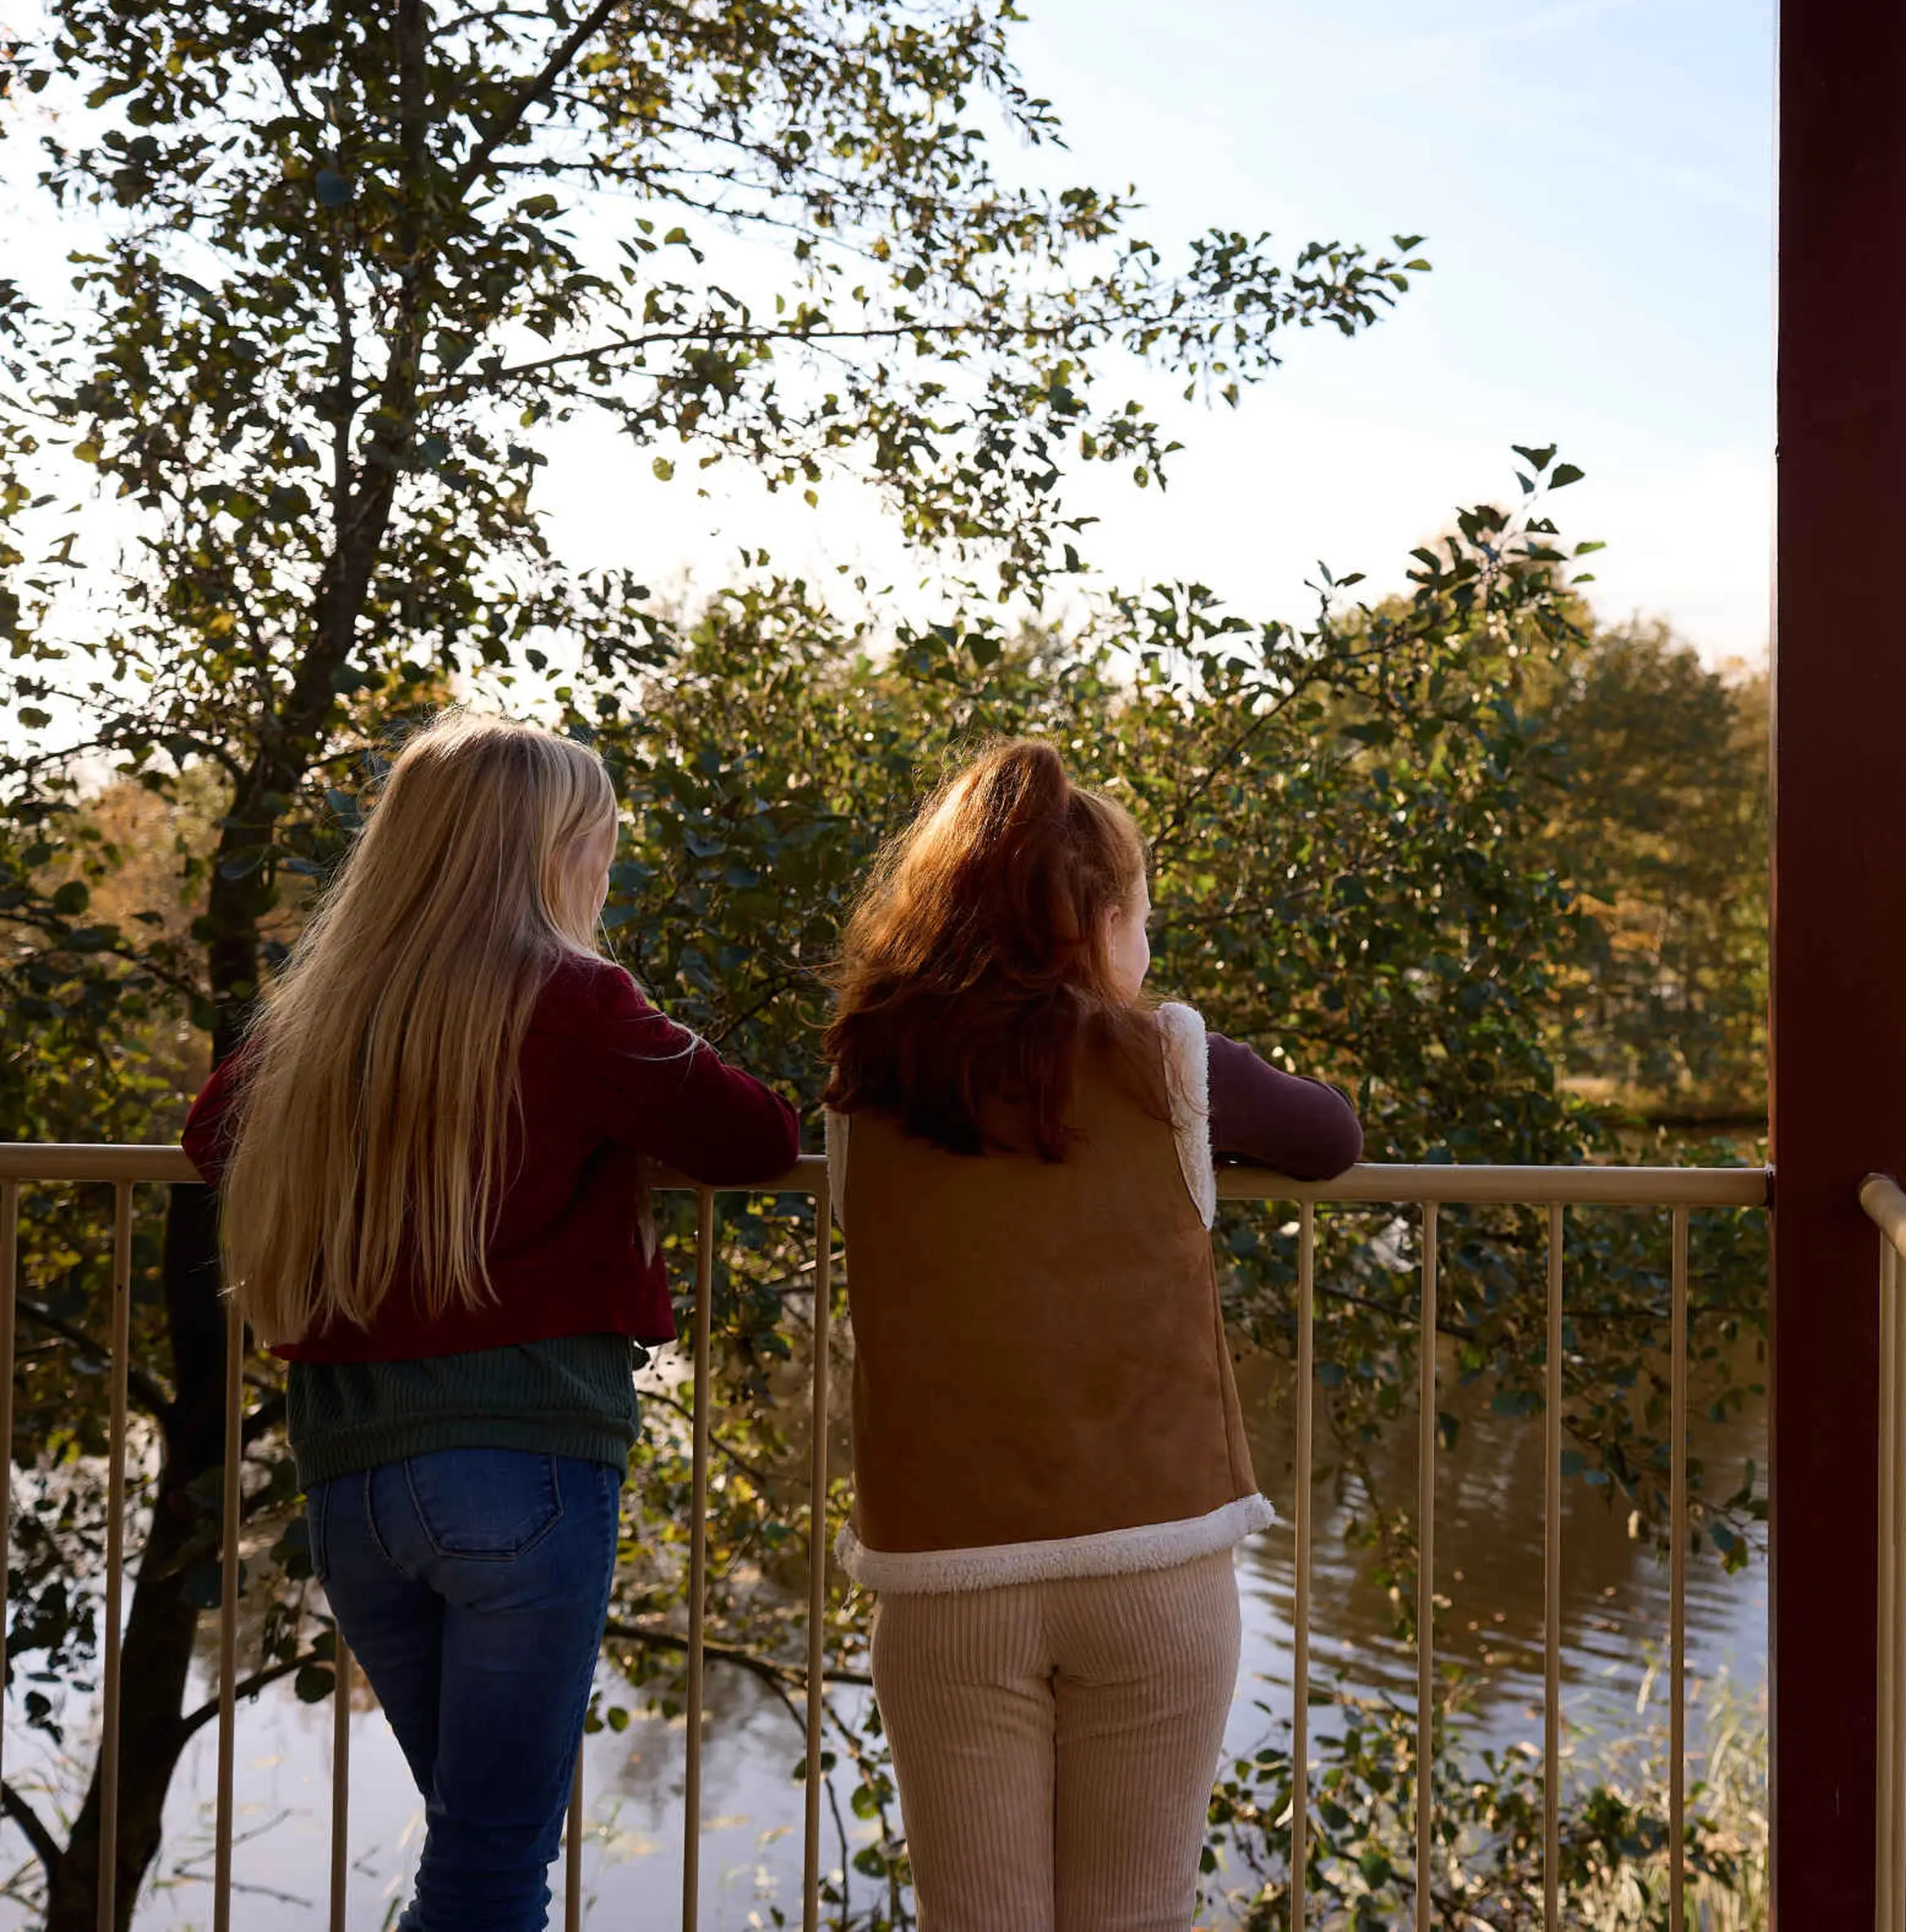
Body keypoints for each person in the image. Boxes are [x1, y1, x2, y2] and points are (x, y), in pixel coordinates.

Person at [183, 713, 802, 1931]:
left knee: (476, 1851)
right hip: (522, 1468)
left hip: (353, 1481)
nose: (605, 868)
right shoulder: (574, 999)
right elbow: (757, 1137)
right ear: (549, 852)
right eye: (597, 844)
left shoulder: (322, 1013)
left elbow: (215, 1139)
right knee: (489, 1867)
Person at [824, 739, 1360, 1930]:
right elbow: (1329, 1137)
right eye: (1141, 920)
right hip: (1152, 1559)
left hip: (945, 1577)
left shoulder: (867, 1080)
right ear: (1104, 923)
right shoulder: (1165, 1059)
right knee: (1136, 1913)